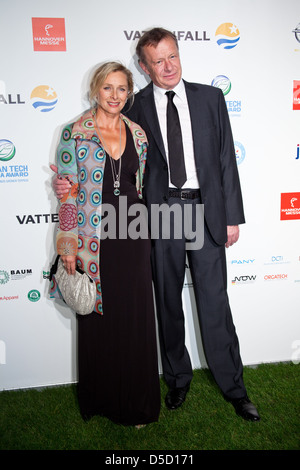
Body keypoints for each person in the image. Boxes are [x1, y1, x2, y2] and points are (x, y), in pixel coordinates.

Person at [52, 28, 260, 422]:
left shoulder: (211, 98)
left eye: (172, 57)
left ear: (180, 55)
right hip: (157, 216)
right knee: (166, 303)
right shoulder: (134, 106)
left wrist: (232, 216)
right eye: (157, 61)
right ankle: (178, 379)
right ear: (144, 67)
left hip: (204, 213)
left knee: (215, 303)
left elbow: (225, 161)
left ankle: (234, 387)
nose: (168, 67)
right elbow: (106, 157)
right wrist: (65, 183)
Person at [50, 61, 160, 427]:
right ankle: (100, 398)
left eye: (122, 89)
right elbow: (65, 196)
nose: (115, 96)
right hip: (91, 238)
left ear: (129, 93)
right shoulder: (73, 133)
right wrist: (67, 246)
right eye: (108, 88)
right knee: (98, 315)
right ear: (96, 90)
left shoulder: (139, 135)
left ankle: (137, 403)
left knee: (135, 317)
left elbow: (138, 188)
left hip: (133, 234)